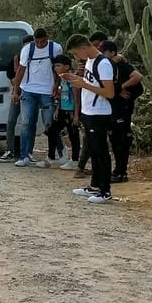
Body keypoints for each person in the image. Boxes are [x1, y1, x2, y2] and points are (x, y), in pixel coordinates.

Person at [64, 34, 116, 203]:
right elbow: (91, 83)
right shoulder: (90, 62)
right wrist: (76, 79)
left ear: (83, 48)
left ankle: (105, 190)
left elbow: (109, 92)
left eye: (75, 54)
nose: (75, 57)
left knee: (101, 152)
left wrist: (83, 84)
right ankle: (95, 186)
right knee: (93, 151)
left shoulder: (104, 64)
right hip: (89, 111)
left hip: (100, 113)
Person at [12, 28, 62, 167]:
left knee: (50, 124)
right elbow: (20, 71)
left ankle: (60, 153)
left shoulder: (56, 48)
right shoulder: (27, 50)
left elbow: (59, 69)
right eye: (37, 41)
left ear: (47, 38)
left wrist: (56, 85)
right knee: (27, 122)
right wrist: (16, 91)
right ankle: (25, 155)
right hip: (28, 90)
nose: (40, 44)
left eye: (42, 41)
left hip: (47, 91)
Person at [100, 41, 143, 182]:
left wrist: (119, 88)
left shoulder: (121, 66)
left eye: (104, 52)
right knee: (115, 139)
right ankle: (118, 170)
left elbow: (137, 77)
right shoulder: (109, 65)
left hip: (122, 108)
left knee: (121, 140)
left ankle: (120, 172)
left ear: (112, 53)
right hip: (115, 108)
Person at [0, 34, 33, 162]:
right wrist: (17, 89)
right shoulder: (17, 59)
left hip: (31, 94)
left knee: (28, 123)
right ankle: (9, 150)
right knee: (11, 121)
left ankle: (28, 152)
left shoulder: (36, 59)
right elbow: (12, 78)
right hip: (19, 93)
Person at [48, 55, 81, 170]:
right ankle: (51, 157)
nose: (55, 68)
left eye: (58, 65)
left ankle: (75, 160)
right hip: (63, 109)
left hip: (71, 111)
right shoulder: (61, 79)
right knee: (52, 130)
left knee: (73, 135)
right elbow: (62, 94)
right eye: (54, 66)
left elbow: (77, 99)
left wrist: (76, 115)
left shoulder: (72, 79)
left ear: (66, 66)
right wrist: (58, 109)